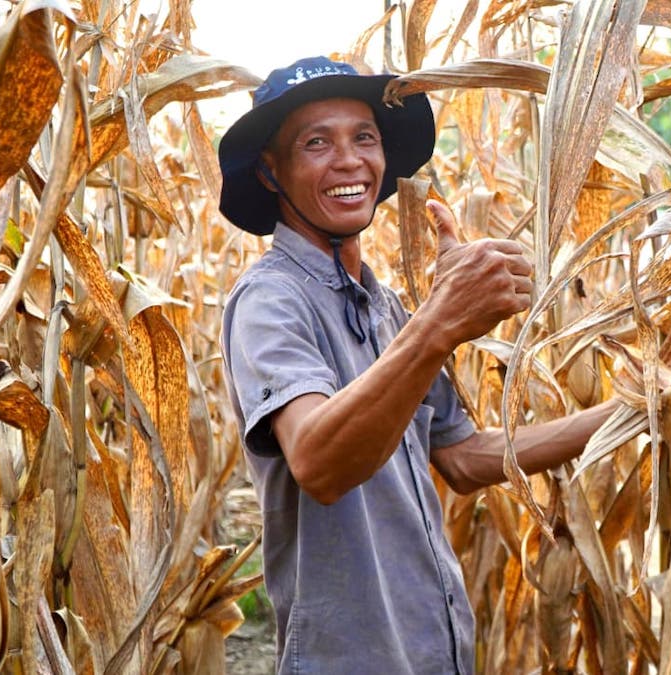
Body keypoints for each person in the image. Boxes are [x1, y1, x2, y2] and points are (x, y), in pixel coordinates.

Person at [217, 56, 615, 674]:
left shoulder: (386, 311)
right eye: (316, 143)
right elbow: (319, 462)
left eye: (364, 137)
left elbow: (465, 458)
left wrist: (630, 414)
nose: (349, 161)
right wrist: (442, 321)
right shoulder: (270, 301)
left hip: (434, 648)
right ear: (272, 170)